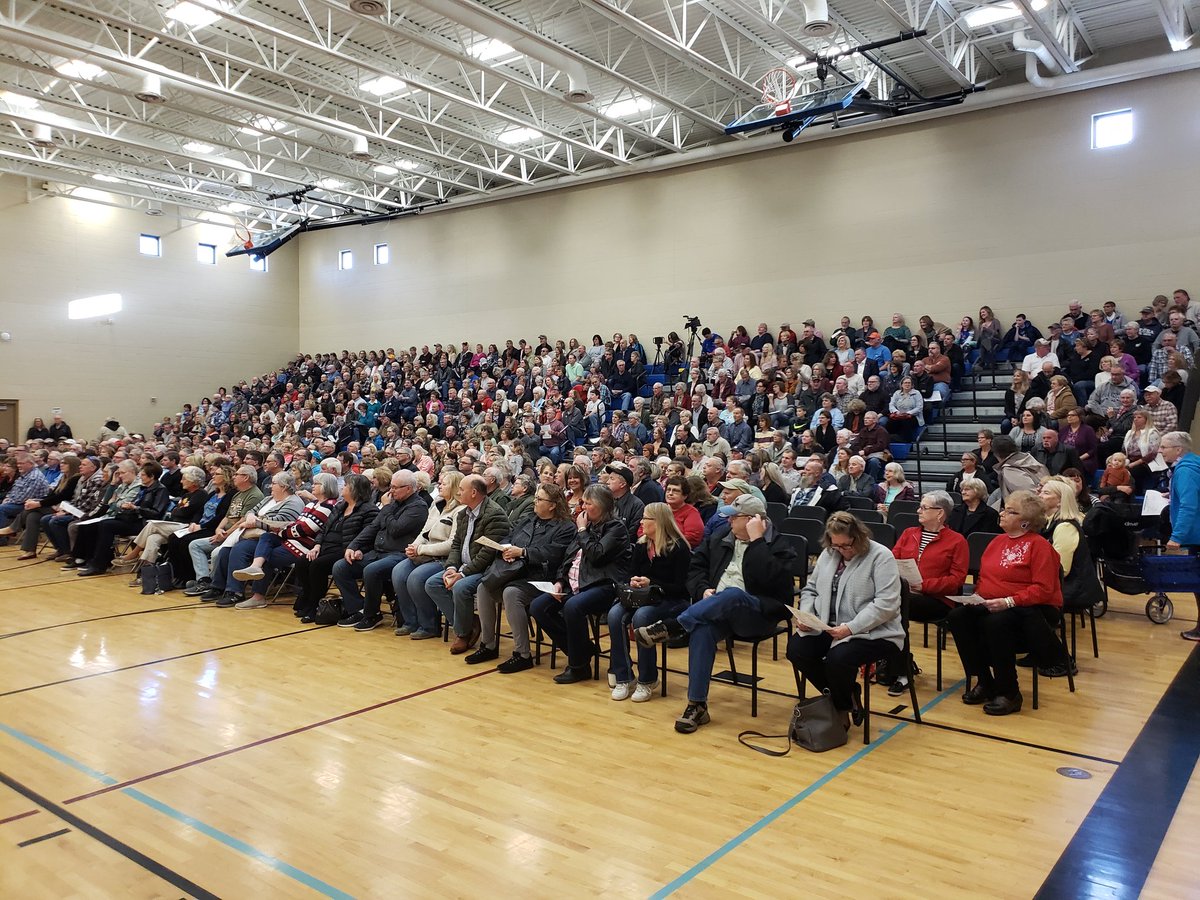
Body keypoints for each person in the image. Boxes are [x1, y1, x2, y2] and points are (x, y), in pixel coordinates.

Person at [633, 494, 796, 733]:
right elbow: (696, 569)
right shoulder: (720, 537)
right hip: (717, 612)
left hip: (757, 615)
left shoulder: (778, 546)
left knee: (733, 594)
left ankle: (675, 626)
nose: (729, 521)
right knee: (702, 629)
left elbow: (776, 585)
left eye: (734, 517)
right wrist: (702, 590)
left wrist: (757, 541)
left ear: (753, 520)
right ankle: (696, 705)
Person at [947, 490, 1071, 716]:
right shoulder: (997, 542)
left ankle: (1010, 692)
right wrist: (976, 598)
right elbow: (985, 580)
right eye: (1004, 509)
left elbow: (1044, 589)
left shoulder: (1039, 546)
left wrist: (1008, 601)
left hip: (1031, 609)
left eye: (1010, 511)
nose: (1002, 513)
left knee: (995, 622)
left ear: (1025, 522)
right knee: (958, 617)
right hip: (994, 604)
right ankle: (985, 681)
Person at [787, 512, 904, 730]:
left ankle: (840, 707)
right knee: (796, 650)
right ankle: (845, 693)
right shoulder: (829, 553)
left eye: (846, 545)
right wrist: (806, 615)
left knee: (838, 658)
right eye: (836, 545)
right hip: (828, 626)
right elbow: (810, 589)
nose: (842, 550)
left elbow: (886, 604)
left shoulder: (881, 556)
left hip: (872, 630)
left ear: (859, 537)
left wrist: (851, 628)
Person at [530, 483, 631, 684]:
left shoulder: (615, 528)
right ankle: (583, 649)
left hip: (603, 584)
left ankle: (578, 666)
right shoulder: (587, 526)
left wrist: (583, 530)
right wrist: (560, 581)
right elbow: (568, 557)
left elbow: (596, 555)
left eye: (588, 503)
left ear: (601, 506)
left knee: (573, 606)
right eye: (583, 503)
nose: (583, 507)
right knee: (538, 607)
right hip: (575, 583)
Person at [472, 483, 576, 669]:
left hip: (542, 577)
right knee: (484, 587)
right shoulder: (528, 519)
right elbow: (508, 537)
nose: (535, 502)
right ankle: (488, 645)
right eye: (535, 498)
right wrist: (505, 549)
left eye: (539, 499)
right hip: (514, 571)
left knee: (511, 593)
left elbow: (554, 553)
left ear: (552, 505)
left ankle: (522, 654)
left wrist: (523, 552)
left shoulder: (566, 527)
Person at [606, 502, 692, 701]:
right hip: (642, 597)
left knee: (642, 617)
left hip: (671, 599)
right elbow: (631, 572)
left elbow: (682, 587)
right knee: (614, 614)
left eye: (645, 518)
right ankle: (623, 677)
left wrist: (652, 583)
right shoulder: (641, 545)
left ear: (659, 521)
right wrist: (634, 581)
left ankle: (647, 679)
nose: (641, 522)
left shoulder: (679, 548)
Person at [888, 491, 968, 694]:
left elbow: (956, 580)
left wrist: (924, 586)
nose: (918, 510)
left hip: (937, 600)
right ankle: (897, 664)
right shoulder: (909, 533)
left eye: (924, 507)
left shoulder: (957, 541)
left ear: (940, 513)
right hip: (906, 594)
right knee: (890, 605)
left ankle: (902, 672)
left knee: (895, 606)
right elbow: (892, 560)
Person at [422, 473, 510, 648]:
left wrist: (462, 574)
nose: (458, 492)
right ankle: (469, 622)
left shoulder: (495, 515)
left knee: (460, 587)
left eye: (462, 489)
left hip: (487, 569)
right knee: (433, 584)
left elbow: (487, 554)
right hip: (464, 566)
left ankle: (463, 633)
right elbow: (456, 545)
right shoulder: (463, 513)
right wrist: (451, 568)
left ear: (474, 493)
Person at [330, 469, 426, 627]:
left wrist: (386, 507)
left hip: (399, 554)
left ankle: (372, 614)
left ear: (408, 488)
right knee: (341, 567)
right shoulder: (394, 503)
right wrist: (353, 546)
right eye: (391, 486)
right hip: (377, 552)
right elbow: (373, 527)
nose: (391, 491)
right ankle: (358, 609)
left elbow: (396, 529)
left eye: (395, 487)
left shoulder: (418, 507)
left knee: (372, 570)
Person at [201, 472, 305, 605]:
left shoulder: (294, 502)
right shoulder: (269, 499)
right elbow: (251, 511)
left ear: (284, 487)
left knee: (240, 549)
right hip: (255, 535)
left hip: (275, 539)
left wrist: (255, 522)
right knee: (225, 551)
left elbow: (279, 522)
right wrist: (251, 517)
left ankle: (235, 592)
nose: (270, 486)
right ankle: (218, 587)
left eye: (273, 483)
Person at [1035, 478, 1102, 676]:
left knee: (1030, 607)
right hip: (1062, 583)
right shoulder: (1049, 522)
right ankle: (1036, 650)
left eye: (1046, 492)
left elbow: (1061, 569)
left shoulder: (1065, 527)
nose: (1039, 494)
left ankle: (1062, 660)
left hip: (1075, 587)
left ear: (1059, 501)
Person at [391, 469, 464, 638]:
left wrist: (421, 550)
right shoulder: (436, 505)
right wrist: (414, 546)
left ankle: (429, 625)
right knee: (398, 572)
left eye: (444, 483)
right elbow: (424, 531)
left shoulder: (460, 510)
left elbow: (452, 544)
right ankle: (410, 621)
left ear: (454, 487)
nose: (439, 486)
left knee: (416, 578)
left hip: (443, 558)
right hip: (424, 553)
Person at [1159, 432, 1200, 641]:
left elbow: (1189, 506)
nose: (1160, 450)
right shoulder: (1193, 464)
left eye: (1164, 447)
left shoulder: (1185, 471)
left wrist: (1177, 536)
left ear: (1178, 449)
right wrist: (1172, 494)